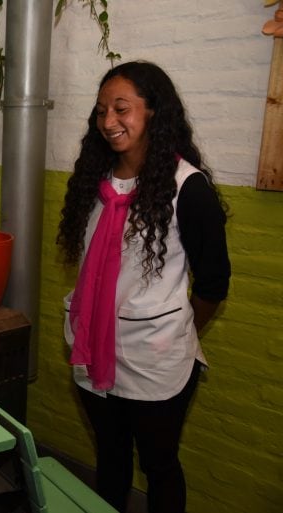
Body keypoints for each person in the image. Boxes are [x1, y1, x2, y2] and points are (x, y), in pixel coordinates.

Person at [57, 61, 230, 513]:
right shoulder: (93, 183)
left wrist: (176, 329)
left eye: (122, 109)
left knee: (159, 466)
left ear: (154, 112)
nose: (109, 122)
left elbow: (214, 284)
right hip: (93, 349)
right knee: (110, 460)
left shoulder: (187, 188)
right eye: (101, 112)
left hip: (155, 362)